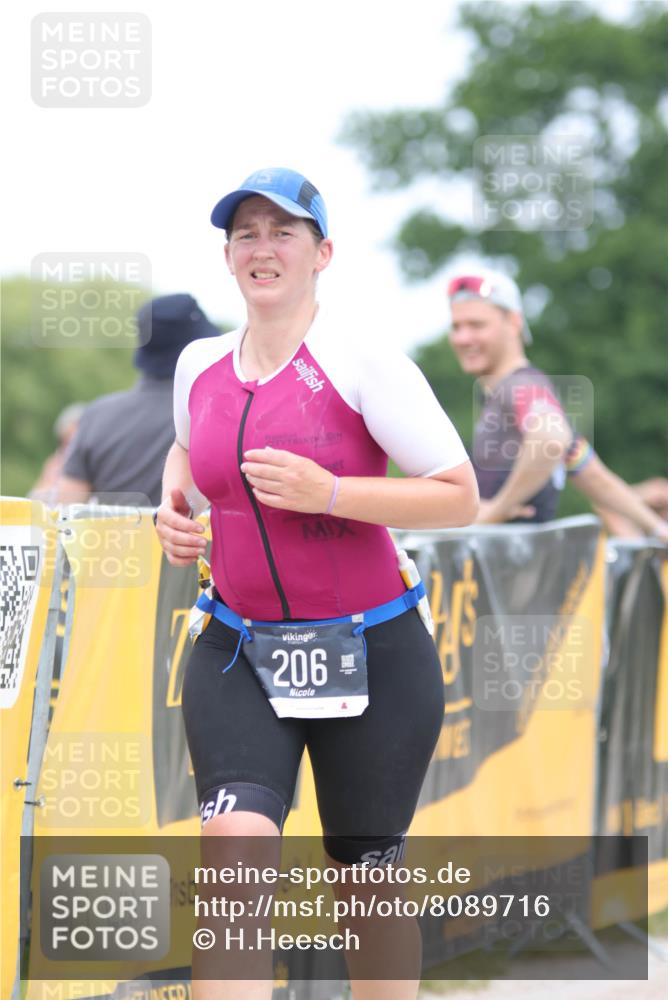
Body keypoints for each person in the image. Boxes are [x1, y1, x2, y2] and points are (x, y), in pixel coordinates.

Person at [154, 167, 479, 999]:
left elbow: (458, 494)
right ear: (228, 257)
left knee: (365, 881)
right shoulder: (199, 365)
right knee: (235, 849)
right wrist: (172, 506)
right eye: (246, 235)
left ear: (321, 252)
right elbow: (189, 452)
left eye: (283, 233)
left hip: (373, 650)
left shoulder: (366, 360)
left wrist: (329, 494)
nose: (263, 249)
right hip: (238, 648)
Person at [445, 269, 668, 540]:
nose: (462, 338)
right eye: (456, 327)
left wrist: (494, 512)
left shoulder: (521, 386)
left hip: (511, 570)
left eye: (477, 325)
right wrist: (658, 529)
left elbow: (551, 438)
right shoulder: (512, 390)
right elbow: (595, 477)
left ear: (513, 322)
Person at [54, 294, 220, 507]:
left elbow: (65, 511)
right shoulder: (214, 412)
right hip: (193, 540)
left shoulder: (95, 415)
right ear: (198, 347)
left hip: (107, 540)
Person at [29, 402, 86, 504]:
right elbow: (35, 498)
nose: (70, 448)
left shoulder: (95, 463)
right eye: (67, 441)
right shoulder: (56, 463)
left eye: (75, 441)